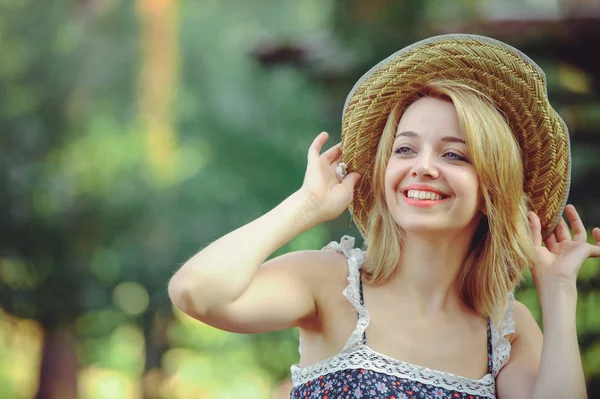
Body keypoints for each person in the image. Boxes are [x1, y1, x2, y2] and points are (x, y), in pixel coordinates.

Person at [168, 34, 600, 398]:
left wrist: (559, 291)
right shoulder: (330, 282)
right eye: (405, 149)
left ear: (492, 191)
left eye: (453, 154)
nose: (423, 166)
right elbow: (195, 292)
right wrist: (305, 206)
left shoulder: (506, 331)